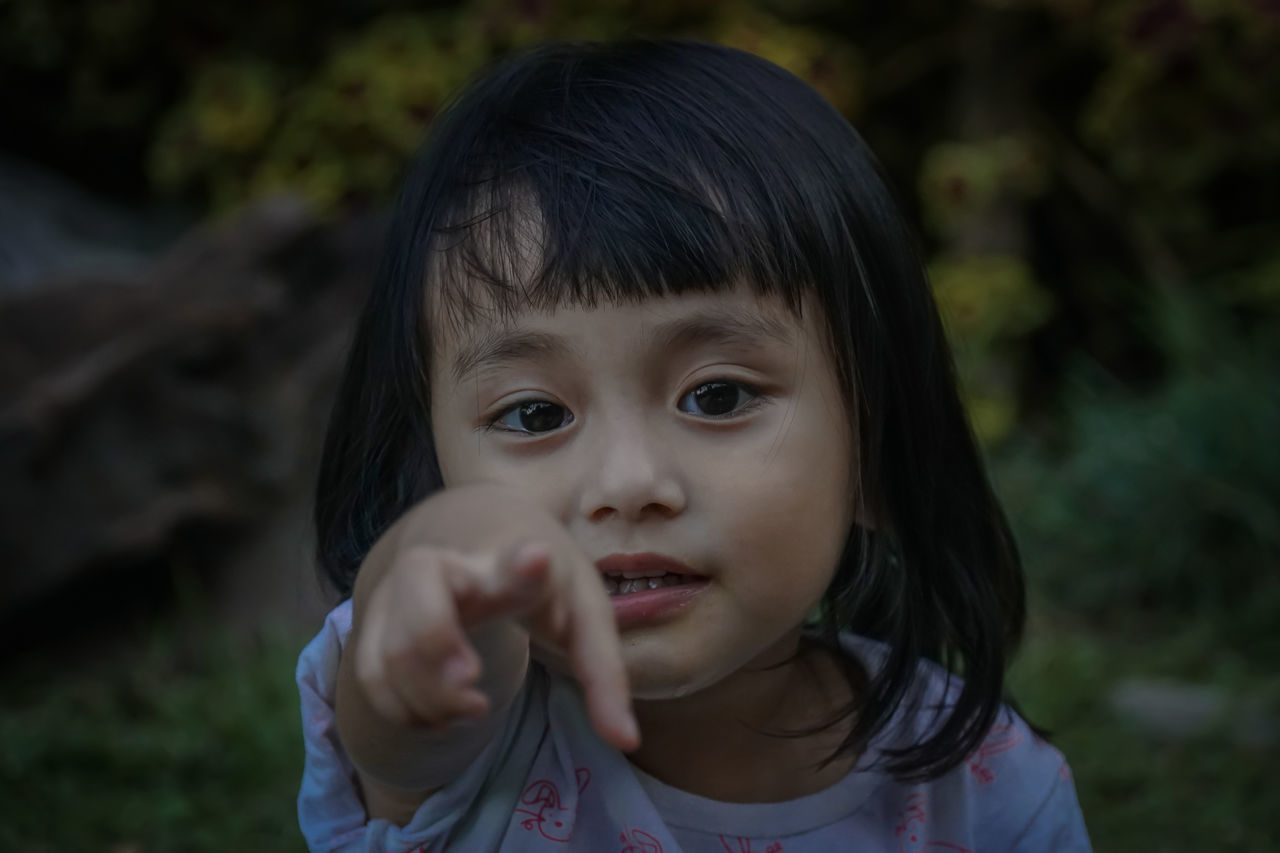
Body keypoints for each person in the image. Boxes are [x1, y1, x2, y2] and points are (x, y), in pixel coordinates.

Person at [296, 39, 1092, 852]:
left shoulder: (989, 788)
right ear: (434, 466)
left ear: (876, 454)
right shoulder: (467, 720)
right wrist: (438, 569)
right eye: (534, 415)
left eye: (717, 396)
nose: (628, 482)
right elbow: (398, 716)